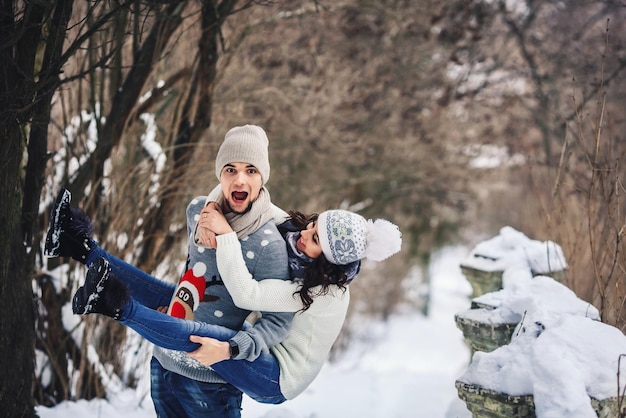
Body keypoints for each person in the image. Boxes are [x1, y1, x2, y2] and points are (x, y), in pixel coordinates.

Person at [45, 125, 294, 418]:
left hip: (210, 382)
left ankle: (107, 294)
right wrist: (177, 307)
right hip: (163, 362)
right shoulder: (197, 213)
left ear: (263, 176)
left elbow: (278, 322)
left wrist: (234, 349)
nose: (240, 179)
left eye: (251, 170)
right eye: (230, 169)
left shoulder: (268, 245)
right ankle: (78, 245)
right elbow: (193, 279)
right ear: (220, 174)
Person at [64, 200, 401, 404]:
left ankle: (114, 305)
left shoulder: (321, 292)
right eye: (313, 223)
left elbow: (248, 294)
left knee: (210, 337)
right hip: (265, 343)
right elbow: (265, 207)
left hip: (277, 377)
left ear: (329, 263)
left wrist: (226, 235)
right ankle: (84, 249)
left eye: (313, 239)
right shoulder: (302, 245)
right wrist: (219, 206)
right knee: (182, 296)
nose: (303, 234)